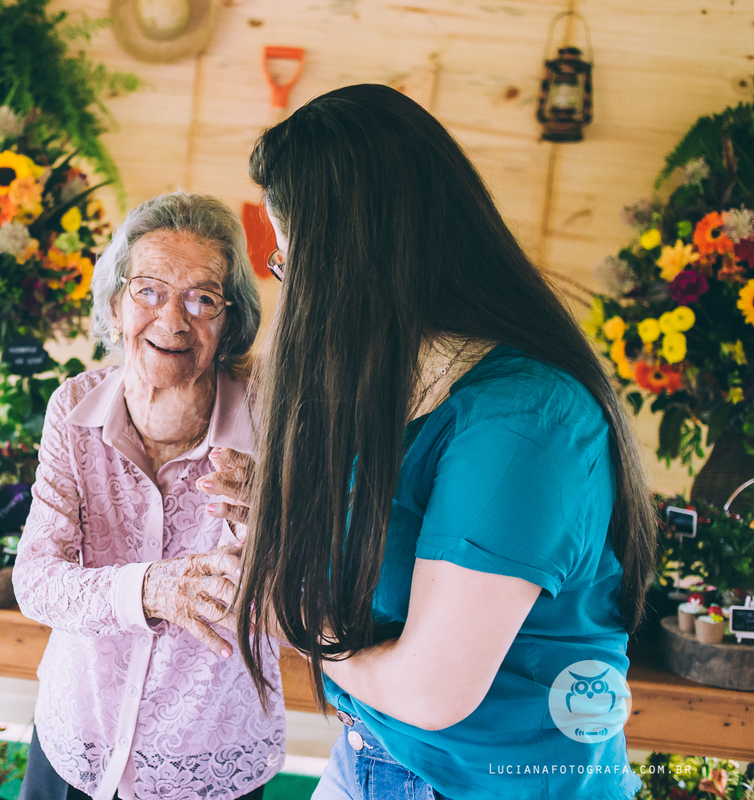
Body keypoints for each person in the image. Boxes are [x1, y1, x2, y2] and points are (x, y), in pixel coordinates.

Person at [203, 85, 659, 800]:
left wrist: (294, 612)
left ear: (349, 261)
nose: (288, 289)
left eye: (288, 261)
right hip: (373, 754)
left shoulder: (524, 422)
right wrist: (283, 522)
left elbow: (430, 690)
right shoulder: (398, 384)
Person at [13, 191, 284, 800]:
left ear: (230, 323)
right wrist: (150, 588)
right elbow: (35, 579)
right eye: (149, 291)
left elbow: (300, 608)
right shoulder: (73, 408)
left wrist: (277, 528)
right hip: (76, 739)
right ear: (115, 307)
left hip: (205, 758)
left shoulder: (273, 421)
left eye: (203, 299)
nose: (173, 320)